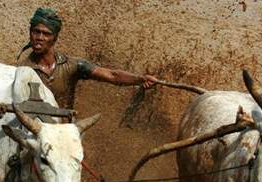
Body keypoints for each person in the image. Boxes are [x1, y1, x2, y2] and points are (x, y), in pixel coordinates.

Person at [17, 8, 158, 109]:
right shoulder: (21, 71)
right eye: (36, 32)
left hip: (66, 130)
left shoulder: (72, 65)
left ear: (55, 38)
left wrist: (140, 79)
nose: (40, 38)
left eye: (46, 34)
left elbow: (112, 75)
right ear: (30, 33)